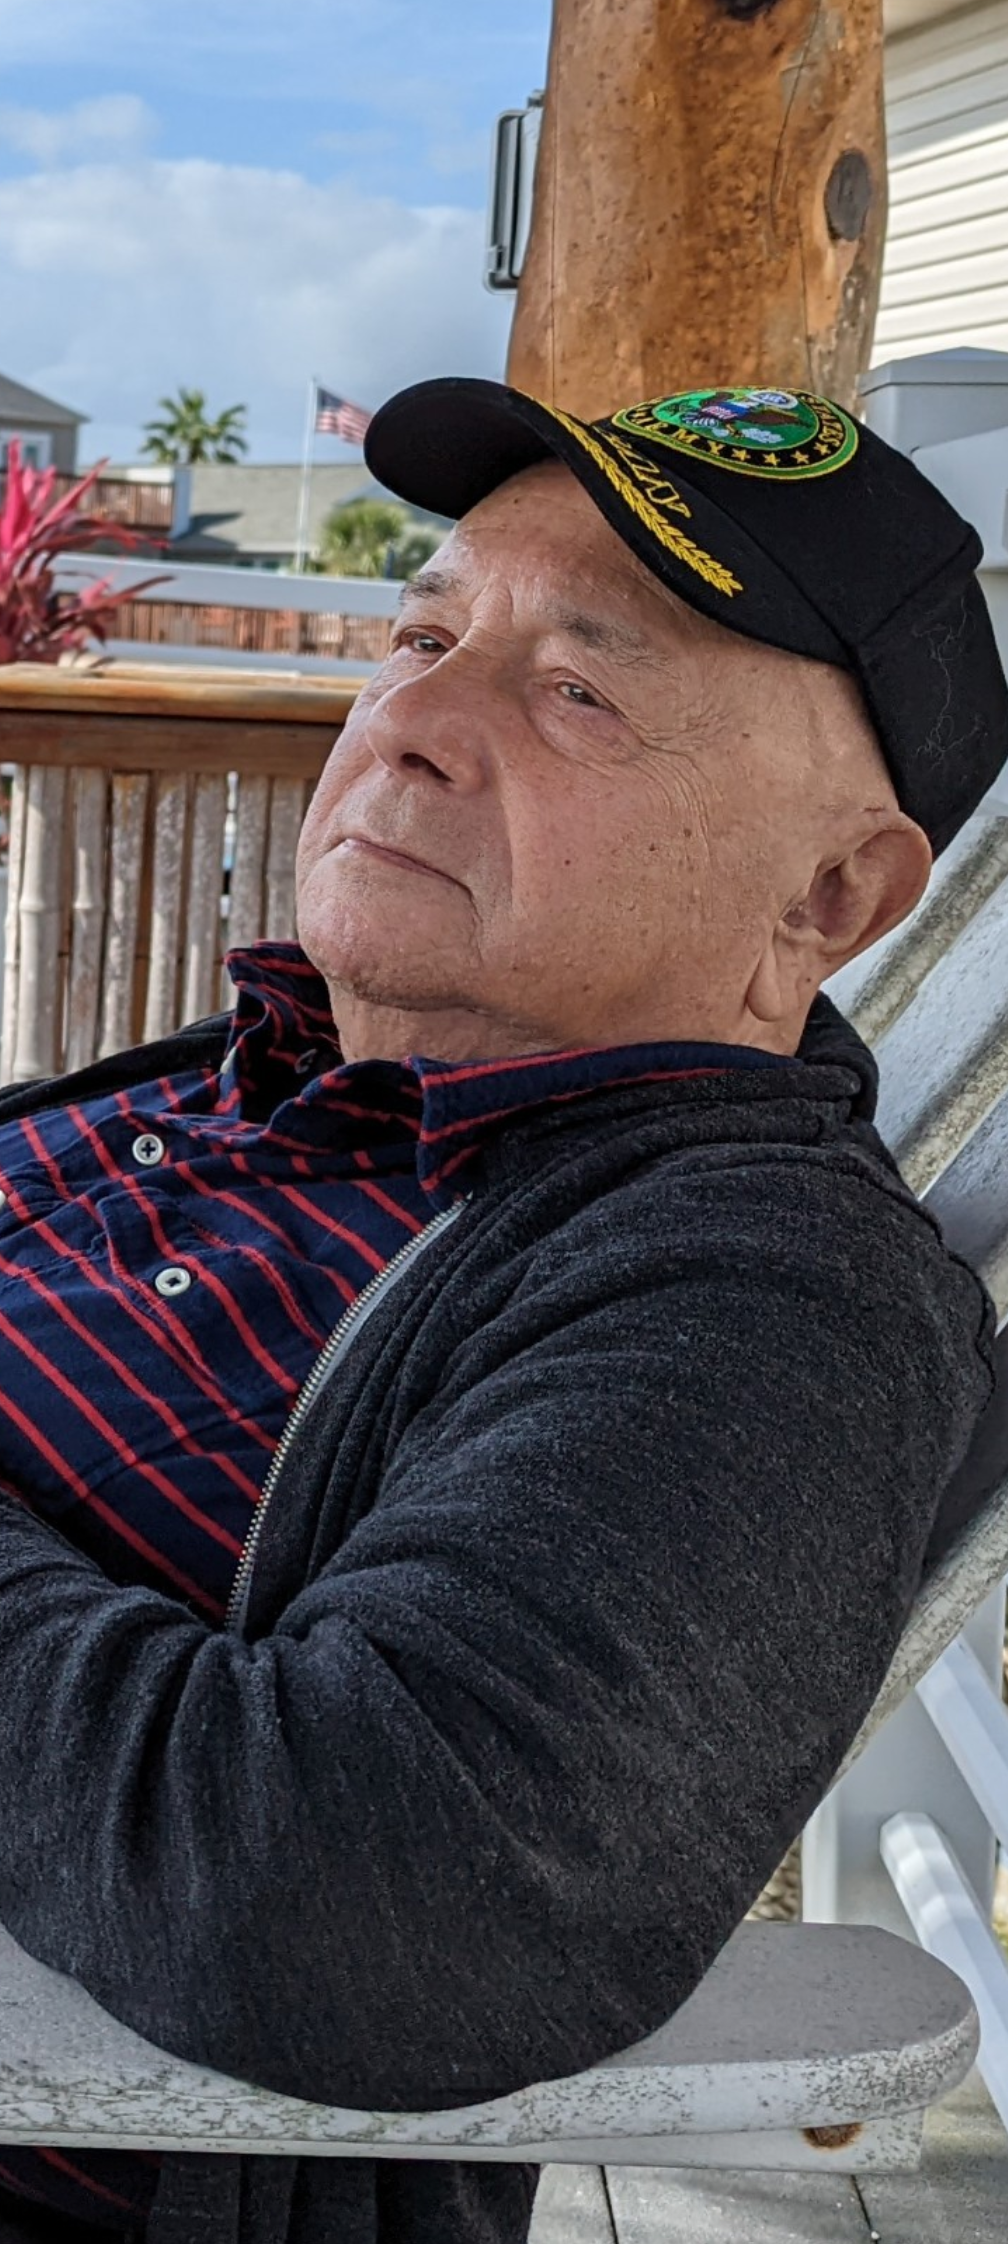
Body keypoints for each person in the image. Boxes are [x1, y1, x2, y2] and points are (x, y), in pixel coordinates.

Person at [0, 378, 1000, 2244]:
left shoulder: (759, 1295)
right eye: (422, 638)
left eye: (581, 693)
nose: (409, 723)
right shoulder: (293, 1078)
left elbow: (362, 1896)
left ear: (830, 893)